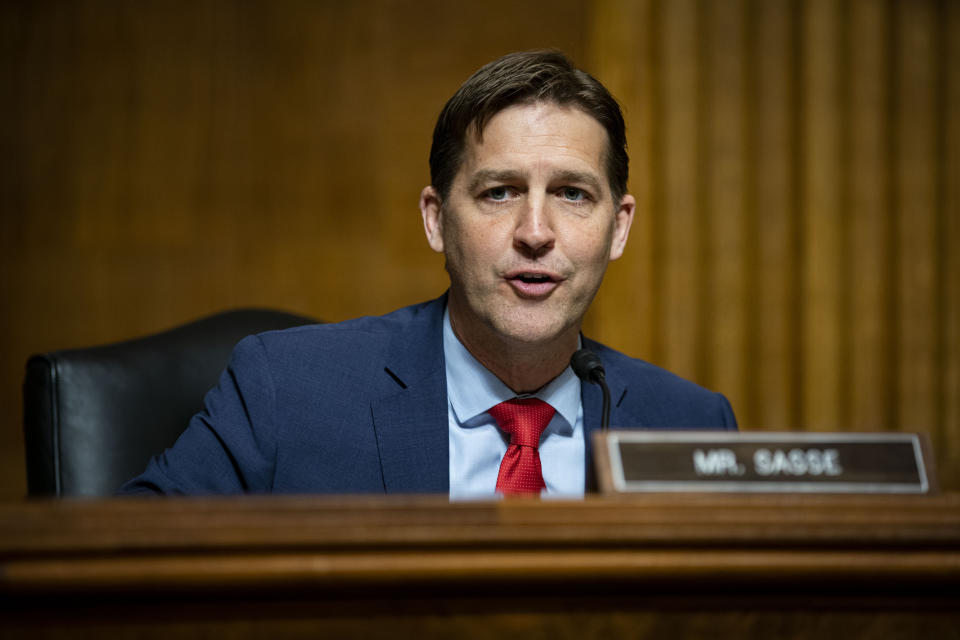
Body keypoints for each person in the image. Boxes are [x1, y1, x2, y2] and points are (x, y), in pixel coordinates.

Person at [120, 50, 736, 498]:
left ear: (618, 227)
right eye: (499, 192)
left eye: (573, 194)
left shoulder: (690, 424)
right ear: (437, 219)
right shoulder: (287, 392)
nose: (536, 231)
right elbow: (120, 563)